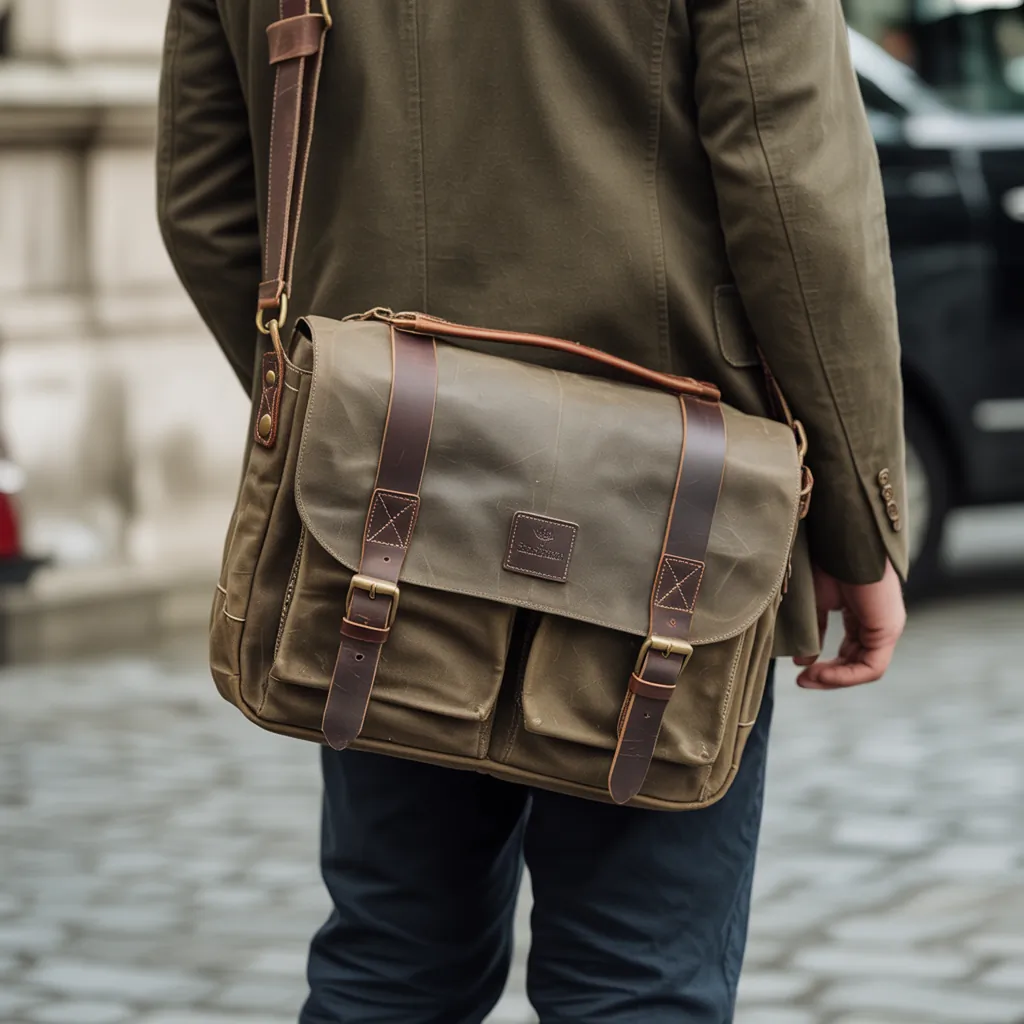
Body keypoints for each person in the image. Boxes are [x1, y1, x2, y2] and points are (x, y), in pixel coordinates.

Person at [157, 1, 908, 1020]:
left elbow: (207, 200)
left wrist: (336, 417)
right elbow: (795, 193)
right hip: (667, 514)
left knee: (393, 962)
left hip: (388, 483)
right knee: (637, 980)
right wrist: (860, 527)